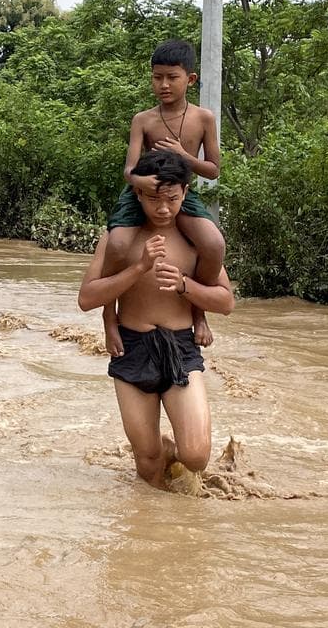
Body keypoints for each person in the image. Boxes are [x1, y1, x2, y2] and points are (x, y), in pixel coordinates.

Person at [78, 151, 234, 489]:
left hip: (180, 347)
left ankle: (172, 452)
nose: (163, 209)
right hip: (131, 347)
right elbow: (87, 298)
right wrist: (138, 268)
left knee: (196, 456)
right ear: (138, 193)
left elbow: (226, 301)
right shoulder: (120, 237)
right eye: (153, 199)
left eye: (173, 199)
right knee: (148, 466)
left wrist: (184, 285)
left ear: (186, 192)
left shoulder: (195, 240)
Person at [103, 39, 225, 355]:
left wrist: (185, 156)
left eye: (172, 77)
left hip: (179, 193)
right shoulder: (143, 119)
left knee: (213, 244)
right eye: (157, 77)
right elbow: (129, 170)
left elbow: (213, 170)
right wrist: (146, 183)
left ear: (191, 79)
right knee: (116, 245)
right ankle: (109, 318)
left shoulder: (204, 118)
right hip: (140, 193)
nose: (164, 85)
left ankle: (199, 314)